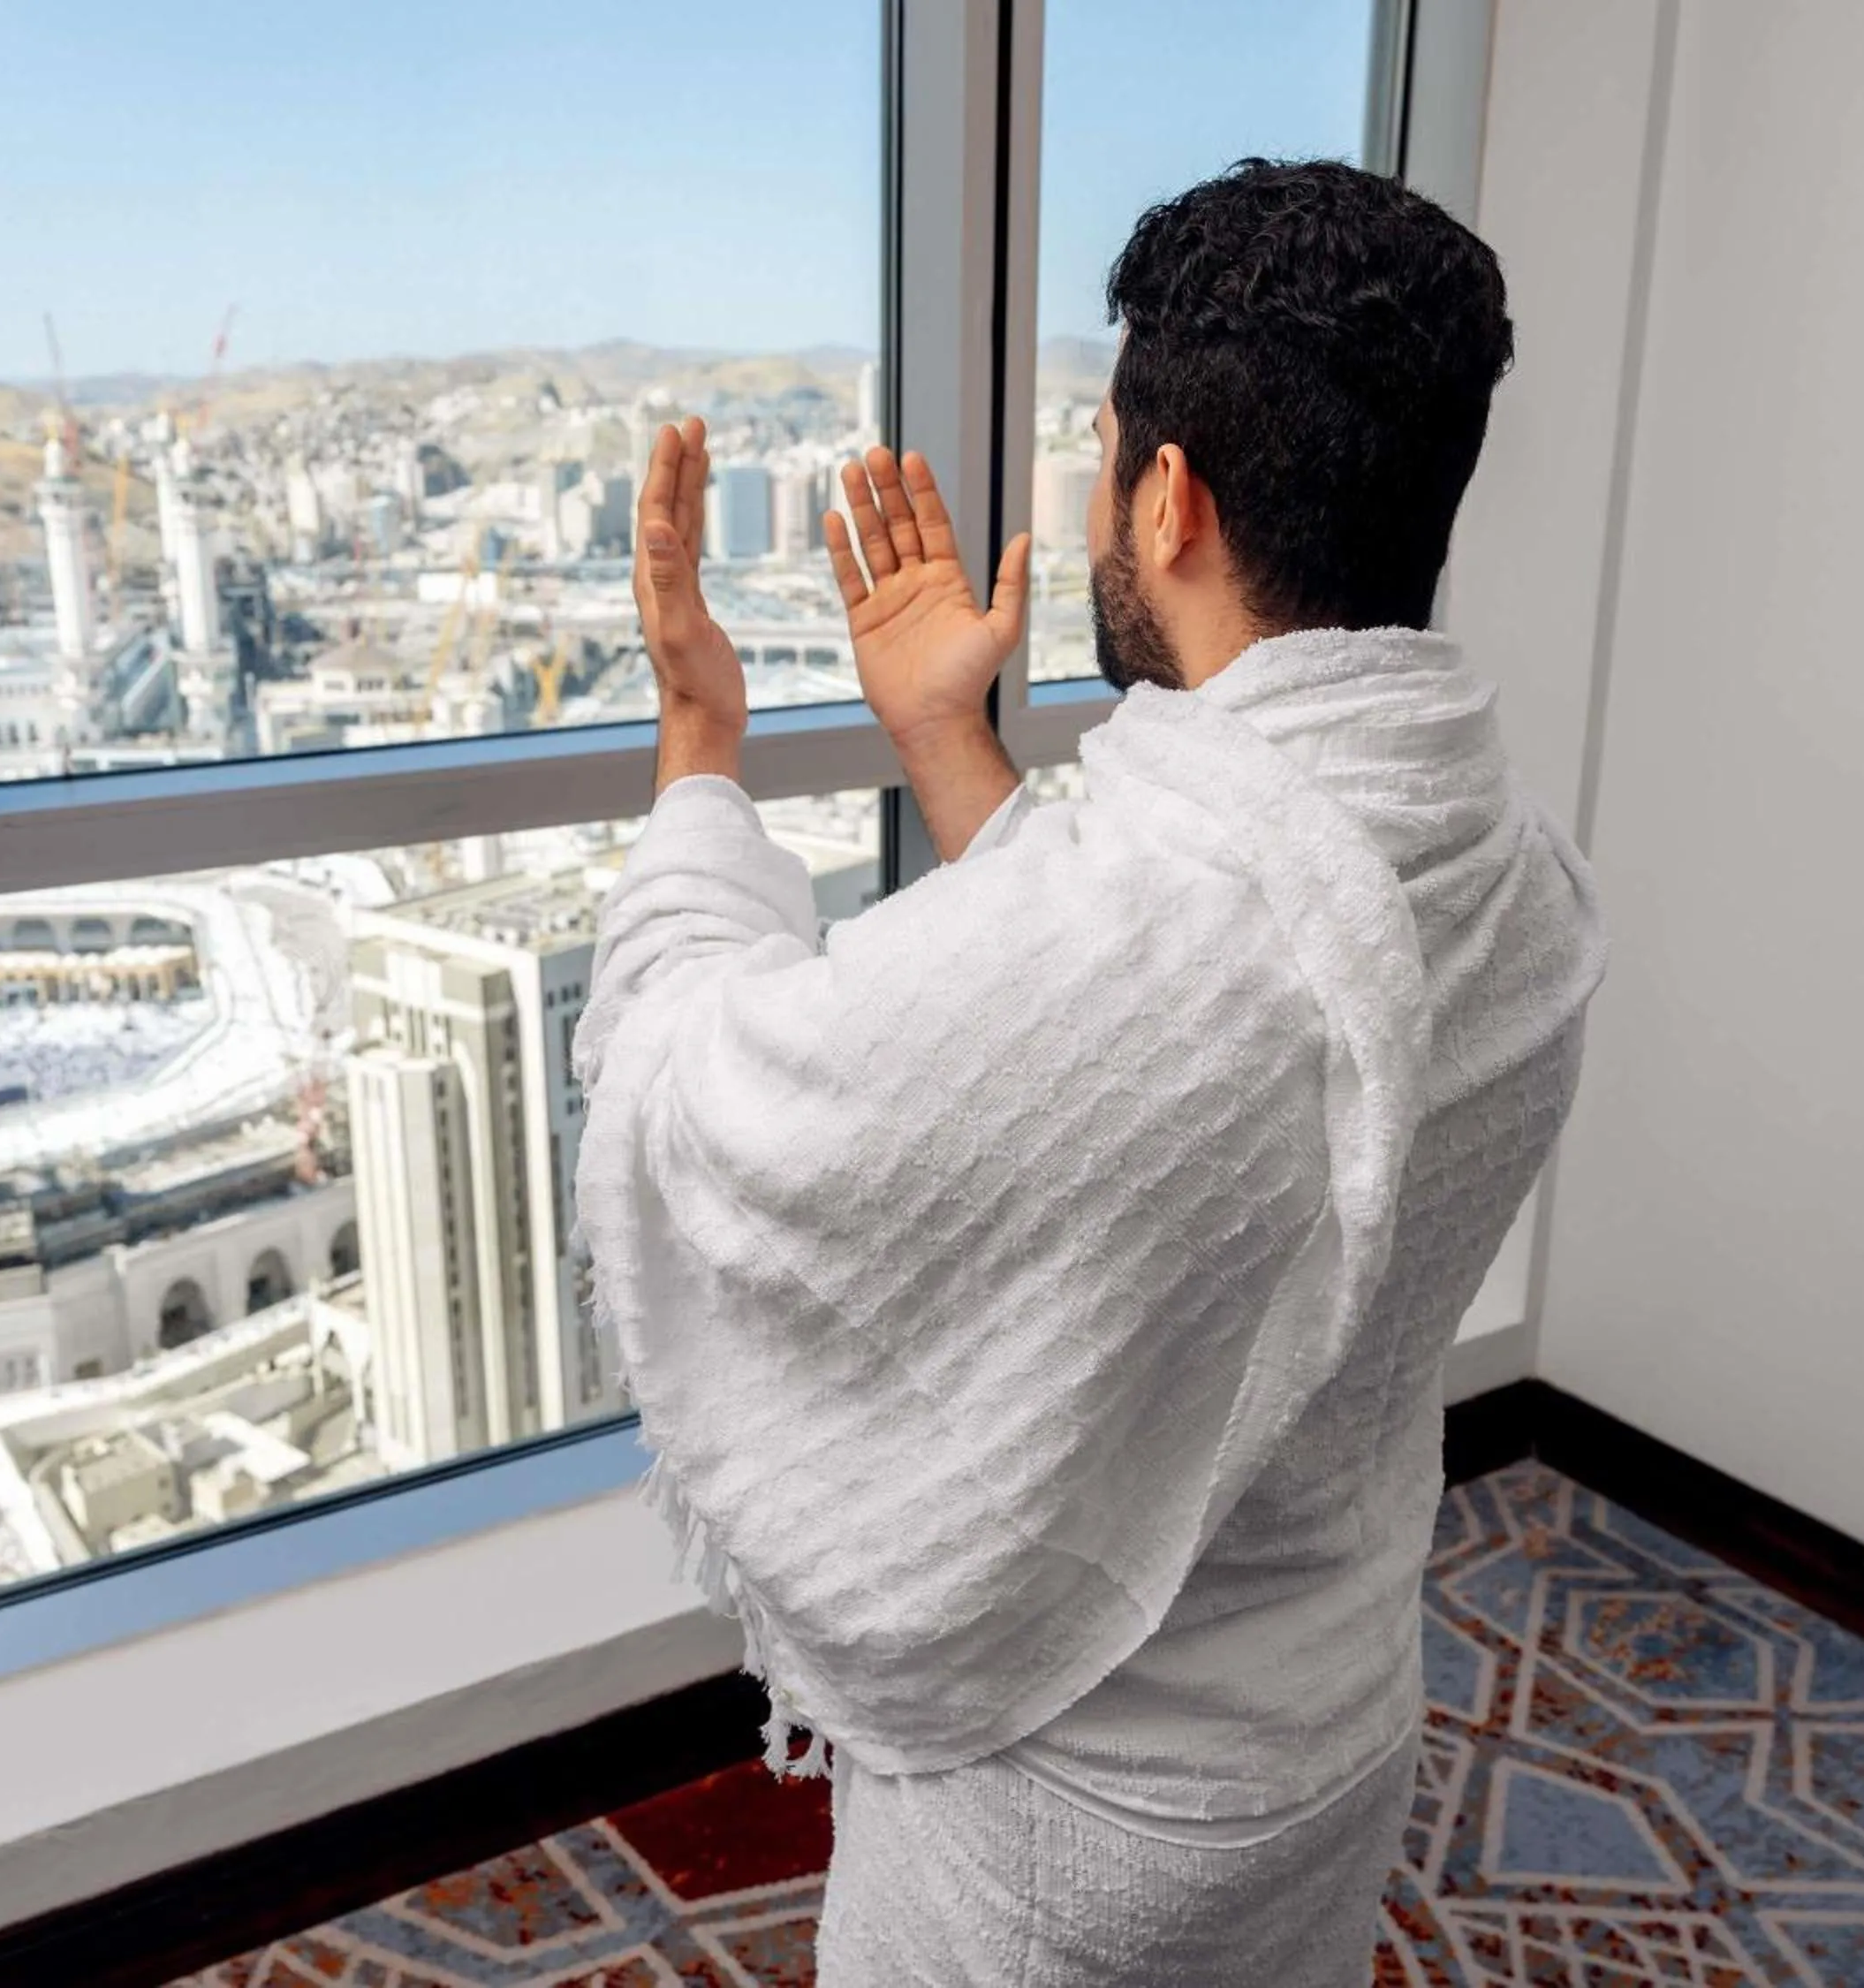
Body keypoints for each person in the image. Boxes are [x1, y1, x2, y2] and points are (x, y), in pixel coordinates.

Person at [569, 159, 1608, 1986]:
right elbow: (1168, 1066)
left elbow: (699, 1097)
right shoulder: (1512, 881)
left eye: (1109, 454)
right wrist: (942, 736)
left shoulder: (1180, 932)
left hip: (1072, 1824)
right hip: (1324, 1724)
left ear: (1171, 499)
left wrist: (699, 738)